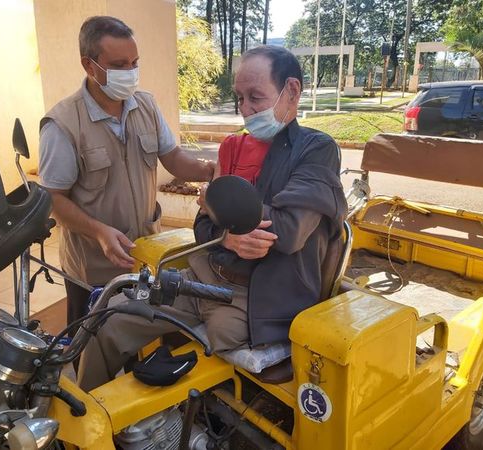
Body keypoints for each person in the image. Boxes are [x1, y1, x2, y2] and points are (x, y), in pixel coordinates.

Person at [77, 45, 347, 391]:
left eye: (255, 97)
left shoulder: (316, 149)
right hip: (204, 278)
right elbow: (202, 226)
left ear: (291, 91)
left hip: (258, 299)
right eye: (239, 98)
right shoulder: (233, 147)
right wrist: (227, 232)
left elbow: (290, 231)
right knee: (108, 317)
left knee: (190, 366)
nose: (245, 110)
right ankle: (81, 428)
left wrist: (218, 208)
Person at [38, 16, 214, 331]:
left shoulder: (145, 105)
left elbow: (171, 156)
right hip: (92, 267)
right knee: (89, 345)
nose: (130, 72)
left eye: (134, 62)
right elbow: (53, 198)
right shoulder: (63, 123)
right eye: (119, 65)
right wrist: (99, 232)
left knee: (139, 337)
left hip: (146, 254)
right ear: (89, 66)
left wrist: (209, 170)